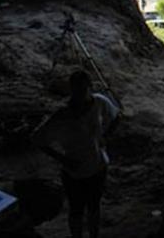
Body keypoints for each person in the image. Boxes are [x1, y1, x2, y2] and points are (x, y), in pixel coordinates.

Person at [33, 70, 119, 238]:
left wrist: (106, 137)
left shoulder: (100, 102)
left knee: (94, 206)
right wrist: (63, 159)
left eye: (83, 89)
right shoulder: (62, 116)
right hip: (74, 173)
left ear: (90, 87)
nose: (80, 94)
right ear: (71, 90)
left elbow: (116, 116)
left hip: (98, 165)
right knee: (77, 210)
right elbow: (37, 139)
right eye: (76, 90)